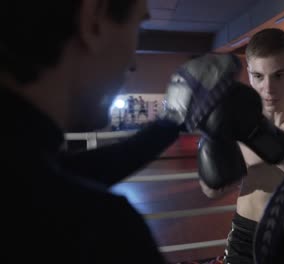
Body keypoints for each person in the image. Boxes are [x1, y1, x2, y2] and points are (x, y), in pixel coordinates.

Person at [1, 1, 244, 263]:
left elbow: (67, 172)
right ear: (93, 21)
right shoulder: (98, 230)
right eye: (138, 26)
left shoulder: (21, 175)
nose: (132, 63)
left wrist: (169, 122)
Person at [198, 28, 284, 263]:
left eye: (279, 75)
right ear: (249, 75)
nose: (268, 88)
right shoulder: (236, 120)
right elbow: (211, 190)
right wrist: (211, 147)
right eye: (259, 77)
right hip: (244, 236)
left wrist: (258, 139)